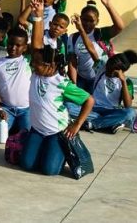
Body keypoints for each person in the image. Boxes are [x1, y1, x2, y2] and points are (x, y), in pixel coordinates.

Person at [21, 46, 93, 176]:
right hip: (37, 130)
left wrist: (76, 125)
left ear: (51, 65)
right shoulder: (34, 75)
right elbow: (36, 44)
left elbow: (89, 100)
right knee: (27, 164)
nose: (32, 65)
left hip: (57, 132)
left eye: (37, 63)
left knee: (50, 170)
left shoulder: (62, 83)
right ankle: (43, 148)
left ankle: (59, 151)